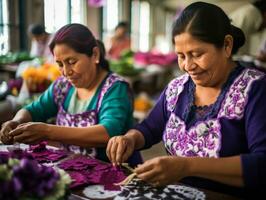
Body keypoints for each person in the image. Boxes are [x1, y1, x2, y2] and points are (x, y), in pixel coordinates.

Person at [106, 2, 266, 197]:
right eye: (181, 56)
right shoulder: (177, 89)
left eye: (197, 54)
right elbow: (149, 129)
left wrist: (187, 166)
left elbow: (261, 164)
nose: (188, 66)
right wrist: (129, 139)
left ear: (226, 45)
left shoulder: (255, 90)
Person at [0, 23, 142, 166]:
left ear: (95, 55)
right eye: (60, 64)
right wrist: (16, 122)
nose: (66, 72)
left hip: (117, 174)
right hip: (77, 169)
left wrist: (49, 131)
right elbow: (35, 109)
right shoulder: (63, 85)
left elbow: (107, 132)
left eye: (72, 62)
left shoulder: (115, 88)